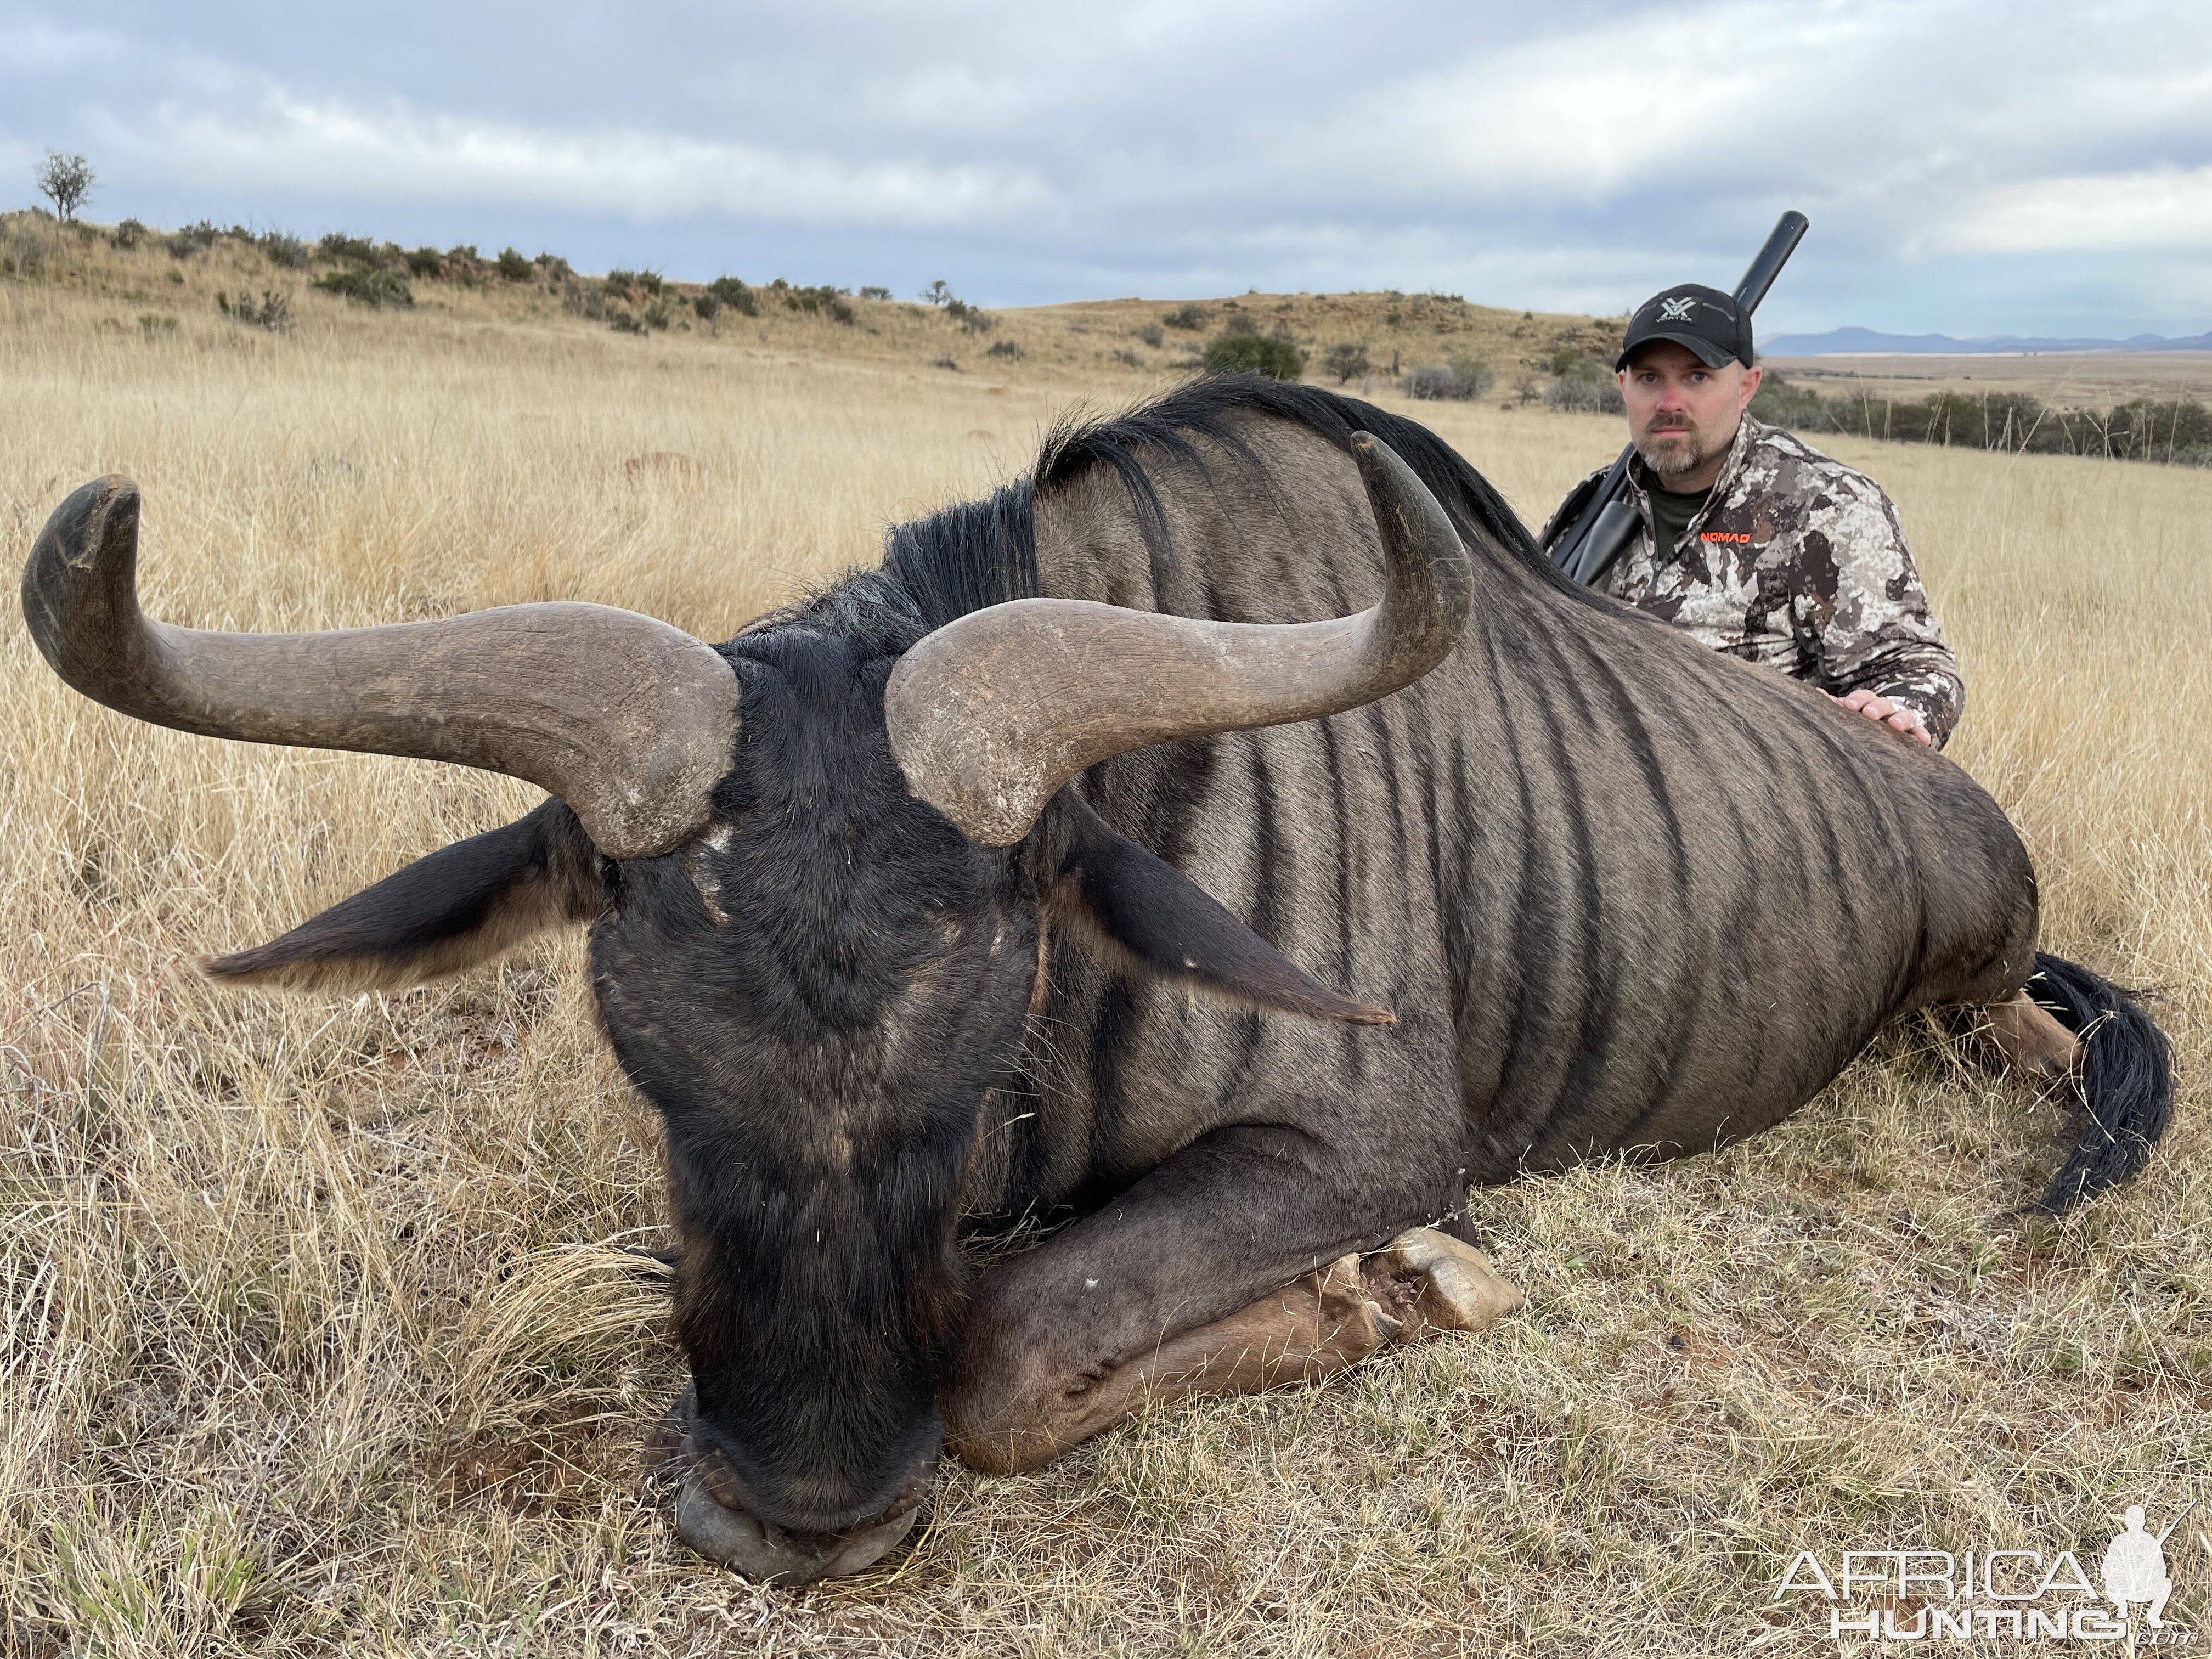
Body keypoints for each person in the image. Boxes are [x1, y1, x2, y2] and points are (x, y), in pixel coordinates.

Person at [1541, 283, 1963, 747]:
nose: (1670, 403)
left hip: (1754, 801)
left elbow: (1916, 667)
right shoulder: (1590, 508)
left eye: (1697, 377)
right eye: (1649, 378)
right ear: (1624, 387)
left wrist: (1897, 710)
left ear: (1747, 387)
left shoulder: (1824, 505)